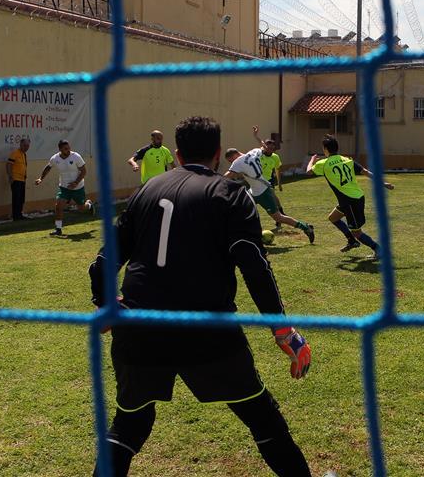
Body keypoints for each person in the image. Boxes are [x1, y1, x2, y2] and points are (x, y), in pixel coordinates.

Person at [88, 116, 313, 477]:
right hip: (207, 329)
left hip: (140, 325)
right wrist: (282, 330)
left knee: (130, 424)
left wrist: (105, 303)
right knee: (262, 418)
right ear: (219, 155)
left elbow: (102, 261)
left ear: (176, 154)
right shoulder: (230, 194)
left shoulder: (145, 191)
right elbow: (253, 266)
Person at [306, 134, 393, 259]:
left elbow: (308, 172)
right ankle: (351, 241)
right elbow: (366, 172)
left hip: (350, 201)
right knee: (333, 218)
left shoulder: (324, 164)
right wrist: (383, 182)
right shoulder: (347, 160)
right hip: (355, 197)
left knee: (357, 232)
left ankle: (378, 249)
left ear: (325, 149)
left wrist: (312, 161)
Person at [225, 147, 315, 244]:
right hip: (255, 190)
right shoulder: (253, 152)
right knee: (239, 209)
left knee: (278, 217)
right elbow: (262, 148)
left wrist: (213, 179)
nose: (231, 163)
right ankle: (245, 235)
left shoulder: (238, 162)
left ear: (233, 156)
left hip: (262, 193)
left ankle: (306, 227)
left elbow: (227, 176)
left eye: (230, 161)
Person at [34, 139, 94, 236]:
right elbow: (48, 167)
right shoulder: (55, 158)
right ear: (60, 149)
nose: (68, 150)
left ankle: (89, 205)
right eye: (66, 149)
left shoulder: (76, 156)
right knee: (58, 206)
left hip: (78, 187)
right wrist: (41, 178)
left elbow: (84, 171)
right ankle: (58, 229)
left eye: (69, 148)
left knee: (81, 208)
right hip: (64, 187)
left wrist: (75, 182)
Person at [253, 126, 286, 231]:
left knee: (273, 199)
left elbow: (278, 170)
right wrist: (256, 135)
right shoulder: (259, 154)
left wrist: (280, 184)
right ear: (264, 147)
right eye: (269, 147)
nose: (271, 149)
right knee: (252, 201)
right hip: (256, 181)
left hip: (268, 181)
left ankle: (280, 216)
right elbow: (261, 142)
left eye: (273, 148)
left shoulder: (275, 157)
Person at [6, 138, 30, 220]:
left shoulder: (24, 155)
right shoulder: (15, 153)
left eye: (27, 146)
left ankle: (19, 214)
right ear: (20, 145)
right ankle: (16, 216)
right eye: (24, 145)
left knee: (21, 198)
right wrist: (10, 176)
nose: (26, 147)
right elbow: (8, 165)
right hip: (16, 179)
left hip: (22, 179)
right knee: (16, 198)